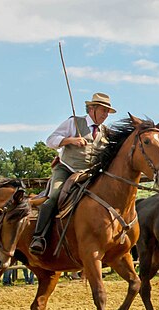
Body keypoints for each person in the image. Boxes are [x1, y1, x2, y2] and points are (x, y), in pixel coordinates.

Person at [29, 92, 116, 255]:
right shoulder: (74, 122)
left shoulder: (105, 131)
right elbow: (50, 140)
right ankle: (38, 237)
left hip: (90, 174)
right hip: (66, 170)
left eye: (107, 112)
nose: (105, 115)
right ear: (92, 109)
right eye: (103, 110)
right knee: (54, 197)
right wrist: (70, 140)